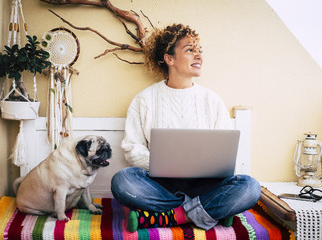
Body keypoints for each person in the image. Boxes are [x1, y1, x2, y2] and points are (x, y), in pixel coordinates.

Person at [111, 23, 261, 232]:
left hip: (205, 186)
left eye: (200, 51)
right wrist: (162, 164)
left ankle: (167, 216)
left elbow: (225, 155)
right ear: (169, 58)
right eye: (190, 50)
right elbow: (132, 148)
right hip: (161, 185)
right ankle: (209, 213)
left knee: (250, 187)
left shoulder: (212, 101)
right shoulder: (144, 100)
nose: (198, 56)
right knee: (123, 181)